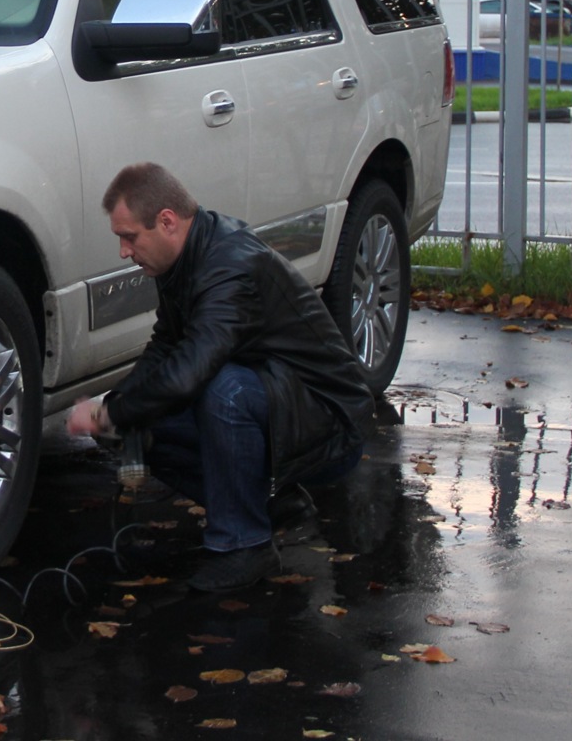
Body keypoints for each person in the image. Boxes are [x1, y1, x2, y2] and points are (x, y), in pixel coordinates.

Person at [68, 162, 376, 591]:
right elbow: (166, 346)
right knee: (143, 419)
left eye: (129, 236)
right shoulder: (181, 258)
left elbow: (192, 368)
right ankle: (266, 506)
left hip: (328, 421)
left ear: (168, 221)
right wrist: (117, 404)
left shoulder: (231, 265)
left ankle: (243, 546)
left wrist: (113, 412)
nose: (124, 250)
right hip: (277, 404)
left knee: (222, 390)